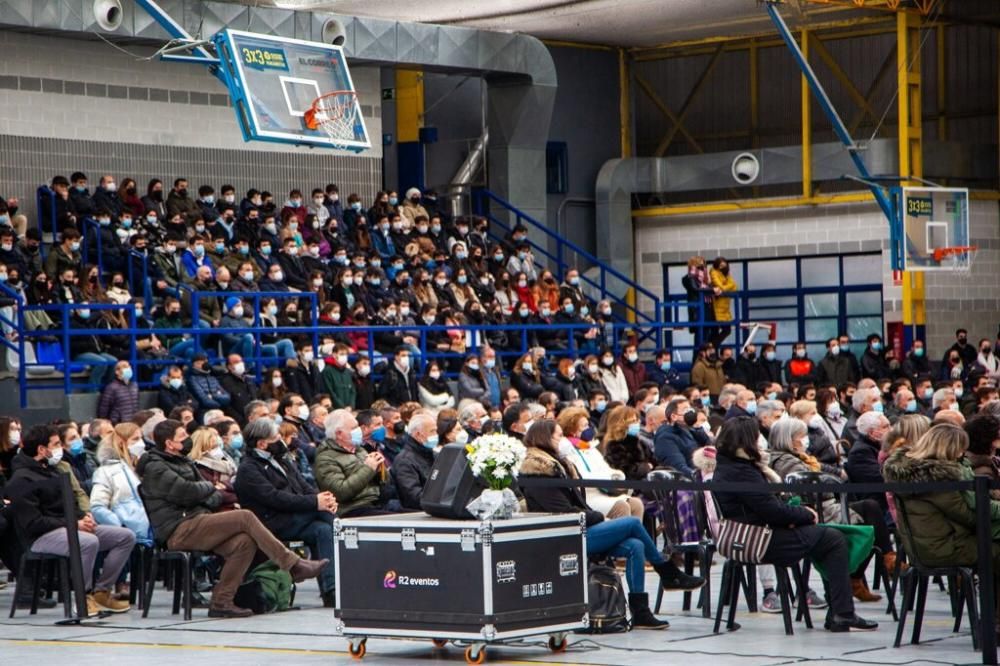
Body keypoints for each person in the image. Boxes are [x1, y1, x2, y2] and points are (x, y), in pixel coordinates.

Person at [519, 419, 704, 630]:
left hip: (579, 528)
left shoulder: (557, 465)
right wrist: (599, 517)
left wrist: (595, 516)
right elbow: (565, 513)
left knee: (636, 546)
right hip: (566, 536)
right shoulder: (537, 473)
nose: (561, 440)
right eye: (558, 436)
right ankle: (667, 572)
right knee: (633, 523)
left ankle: (641, 612)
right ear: (544, 437)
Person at [138, 419, 329, 617]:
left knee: (244, 542)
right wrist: (210, 487)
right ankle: (292, 564)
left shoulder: (184, 462)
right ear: (170, 443)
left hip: (198, 520)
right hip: (177, 529)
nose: (188, 439)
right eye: (183, 437)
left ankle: (221, 602)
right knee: (245, 517)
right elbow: (188, 491)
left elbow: (213, 497)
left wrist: (206, 491)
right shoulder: (156, 468)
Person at [711, 417, 878, 632]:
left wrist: (795, 516)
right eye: (756, 436)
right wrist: (804, 515)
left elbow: (766, 508)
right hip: (758, 539)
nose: (760, 440)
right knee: (832, 539)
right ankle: (842, 613)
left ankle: (839, 610)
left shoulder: (729, 465)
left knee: (827, 537)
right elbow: (771, 510)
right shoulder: (741, 471)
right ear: (746, 441)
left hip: (752, 533)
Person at [5, 424, 135, 615]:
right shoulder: (21, 480)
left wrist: (84, 517)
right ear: (42, 449)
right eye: (56, 444)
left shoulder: (55, 470)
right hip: (41, 536)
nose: (60, 449)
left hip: (70, 526)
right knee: (88, 543)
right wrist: (74, 524)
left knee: (125, 537)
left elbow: (71, 502)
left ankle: (102, 590)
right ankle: (84, 596)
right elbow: (33, 523)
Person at [231, 417, 338, 607]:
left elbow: (304, 486)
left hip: (295, 518)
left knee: (323, 529)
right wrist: (316, 502)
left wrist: (323, 499)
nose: (280, 440)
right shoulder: (248, 469)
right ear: (262, 443)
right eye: (276, 437)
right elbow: (274, 498)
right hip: (271, 522)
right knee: (326, 517)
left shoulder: (282, 460)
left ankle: (331, 590)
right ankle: (351, 542)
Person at [556, 406, 642, 519]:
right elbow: (580, 475)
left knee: (637, 504)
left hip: (604, 491)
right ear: (572, 430)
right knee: (621, 506)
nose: (589, 428)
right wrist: (606, 477)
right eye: (584, 426)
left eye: (588, 424)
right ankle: (622, 535)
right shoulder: (566, 449)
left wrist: (616, 475)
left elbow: (605, 468)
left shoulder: (588, 447)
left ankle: (634, 537)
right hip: (587, 496)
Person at [315, 409, 393, 517]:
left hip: (377, 502)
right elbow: (340, 493)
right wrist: (369, 468)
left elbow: (384, 482)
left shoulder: (360, 450)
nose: (359, 430)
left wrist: (380, 469)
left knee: (414, 516)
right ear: (339, 434)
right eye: (354, 428)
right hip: (353, 509)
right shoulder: (325, 459)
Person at [845, 411, 891, 511]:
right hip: (879, 503)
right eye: (885, 427)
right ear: (871, 433)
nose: (890, 430)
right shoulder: (860, 452)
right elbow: (881, 478)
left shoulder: (878, 445)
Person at [391, 411, 438, 509]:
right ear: (418, 435)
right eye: (432, 431)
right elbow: (413, 496)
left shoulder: (433, 455)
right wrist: (439, 500)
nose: (436, 435)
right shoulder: (404, 461)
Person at [601, 406, 657, 481]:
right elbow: (627, 472)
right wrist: (647, 466)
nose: (638, 423)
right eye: (634, 421)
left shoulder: (640, 443)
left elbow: (655, 462)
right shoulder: (614, 446)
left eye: (637, 420)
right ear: (621, 424)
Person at [189, 428, 239, 512]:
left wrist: (225, 485)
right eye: (214, 447)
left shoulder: (226, 463)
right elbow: (216, 494)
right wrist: (238, 492)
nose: (218, 450)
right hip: (220, 510)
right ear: (203, 449)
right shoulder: (199, 469)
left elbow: (239, 481)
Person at [708, 257, 737, 346]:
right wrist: (727, 286)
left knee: (726, 330)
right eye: (721, 265)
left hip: (724, 307)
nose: (723, 267)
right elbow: (720, 285)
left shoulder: (727, 275)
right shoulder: (714, 272)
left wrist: (725, 288)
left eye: (724, 265)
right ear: (717, 265)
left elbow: (734, 287)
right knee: (719, 330)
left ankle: (711, 346)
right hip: (716, 306)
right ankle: (711, 346)